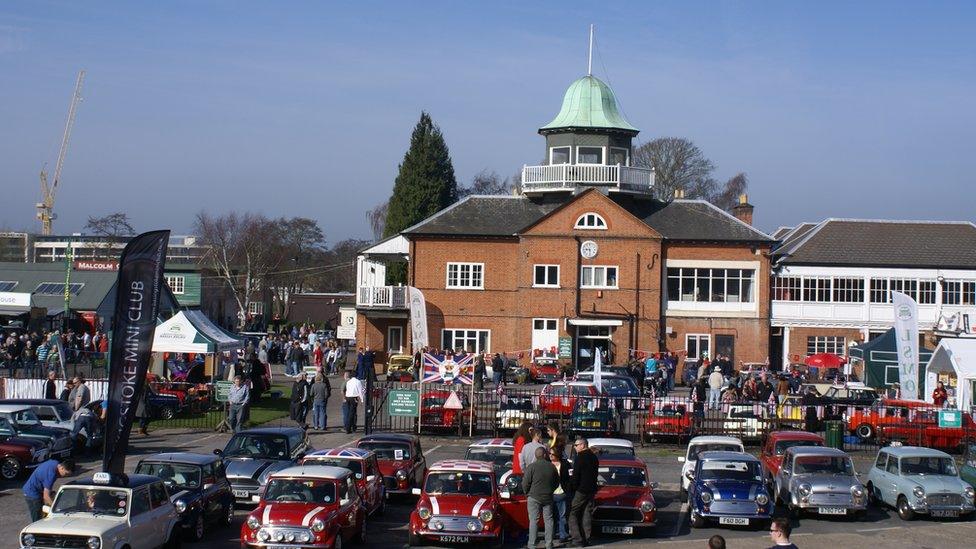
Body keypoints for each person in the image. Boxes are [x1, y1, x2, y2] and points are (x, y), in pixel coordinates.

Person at [522, 446, 558, 549]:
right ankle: (549, 544)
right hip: (548, 496)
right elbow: (556, 482)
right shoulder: (551, 467)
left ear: (536, 456)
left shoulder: (531, 467)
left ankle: (532, 544)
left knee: (534, 521)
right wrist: (551, 490)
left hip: (534, 496)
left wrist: (527, 493)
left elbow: (525, 483)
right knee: (549, 520)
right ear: (545, 455)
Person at [568, 437, 599, 547]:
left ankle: (577, 539)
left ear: (582, 445)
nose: (575, 448)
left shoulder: (580, 457)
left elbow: (576, 476)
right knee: (587, 513)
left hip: (581, 489)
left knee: (572, 513)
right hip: (591, 489)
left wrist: (572, 487)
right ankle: (587, 538)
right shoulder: (594, 457)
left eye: (576, 445)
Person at [549, 446, 571, 542]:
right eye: (549, 453)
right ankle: (552, 534)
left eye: (552, 454)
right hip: (550, 494)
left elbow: (570, 477)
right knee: (552, 515)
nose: (550, 455)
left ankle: (563, 535)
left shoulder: (565, 464)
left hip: (562, 492)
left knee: (562, 516)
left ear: (557, 455)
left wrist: (568, 489)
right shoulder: (548, 465)